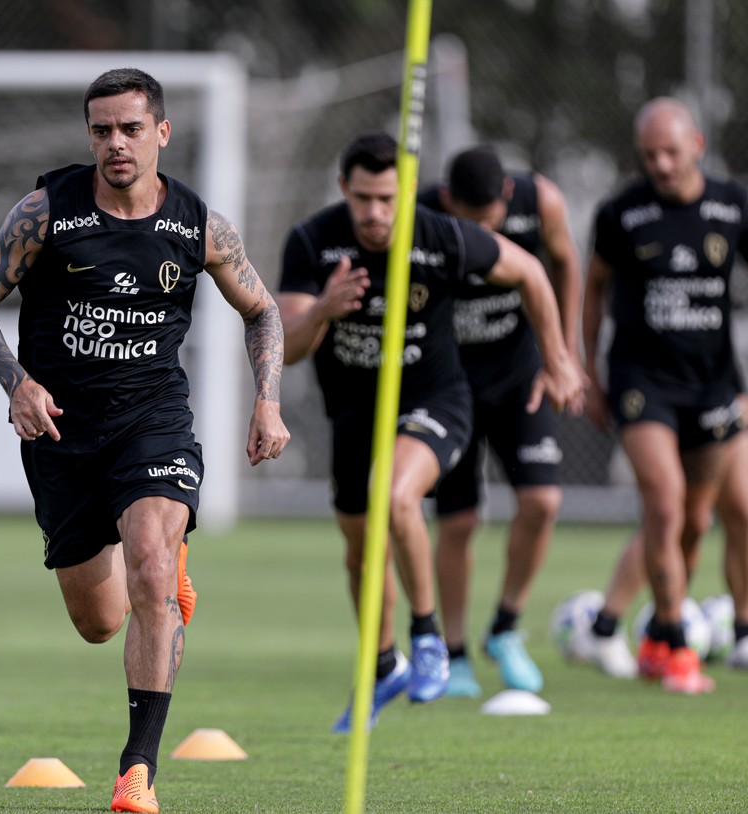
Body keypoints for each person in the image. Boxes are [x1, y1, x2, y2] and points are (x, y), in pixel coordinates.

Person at [0, 68, 290, 814]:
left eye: (131, 128)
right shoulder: (46, 212)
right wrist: (16, 381)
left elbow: (262, 311)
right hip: (62, 433)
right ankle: (163, 575)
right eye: (101, 130)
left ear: (161, 133)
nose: (115, 143)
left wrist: (267, 402)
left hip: (153, 422)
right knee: (100, 622)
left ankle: (137, 772)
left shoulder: (199, 225)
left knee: (149, 569)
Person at [277, 131, 583, 733]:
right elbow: (286, 349)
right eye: (363, 197)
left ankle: (429, 639)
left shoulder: (441, 235)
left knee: (397, 497)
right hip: (355, 412)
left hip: (435, 401)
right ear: (344, 188)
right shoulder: (312, 241)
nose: (374, 213)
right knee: (362, 554)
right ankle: (385, 664)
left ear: (408, 191)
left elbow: (533, 274)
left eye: (387, 198)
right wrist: (323, 309)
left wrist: (560, 358)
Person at [581, 96, 748, 694]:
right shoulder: (621, 213)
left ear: (696, 145)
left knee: (698, 522)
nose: (661, 164)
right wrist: (588, 371)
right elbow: (594, 287)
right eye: (649, 154)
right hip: (640, 384)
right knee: (666, 503)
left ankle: (650, 640)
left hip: (712, 386)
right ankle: (678, 645)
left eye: (671, 152)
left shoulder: (733, 205)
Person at [416, 145, 582, 697]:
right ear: (447, 201)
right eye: (470, 222)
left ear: (507, 197)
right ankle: (456, 654)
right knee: (459, 522)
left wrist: (563, 356)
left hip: (518, 378)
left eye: (489, 224)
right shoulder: (419, 214)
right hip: (450, 387)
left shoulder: (542, 201)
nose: (481, 236)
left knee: (542, 501)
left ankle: (507, 628)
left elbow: (562, 264)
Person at [567, 424, 748, 677]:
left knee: (704, 518)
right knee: (665, 514)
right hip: (655, 392)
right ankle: (628, 632)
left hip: (711, 398)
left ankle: (738, 635)